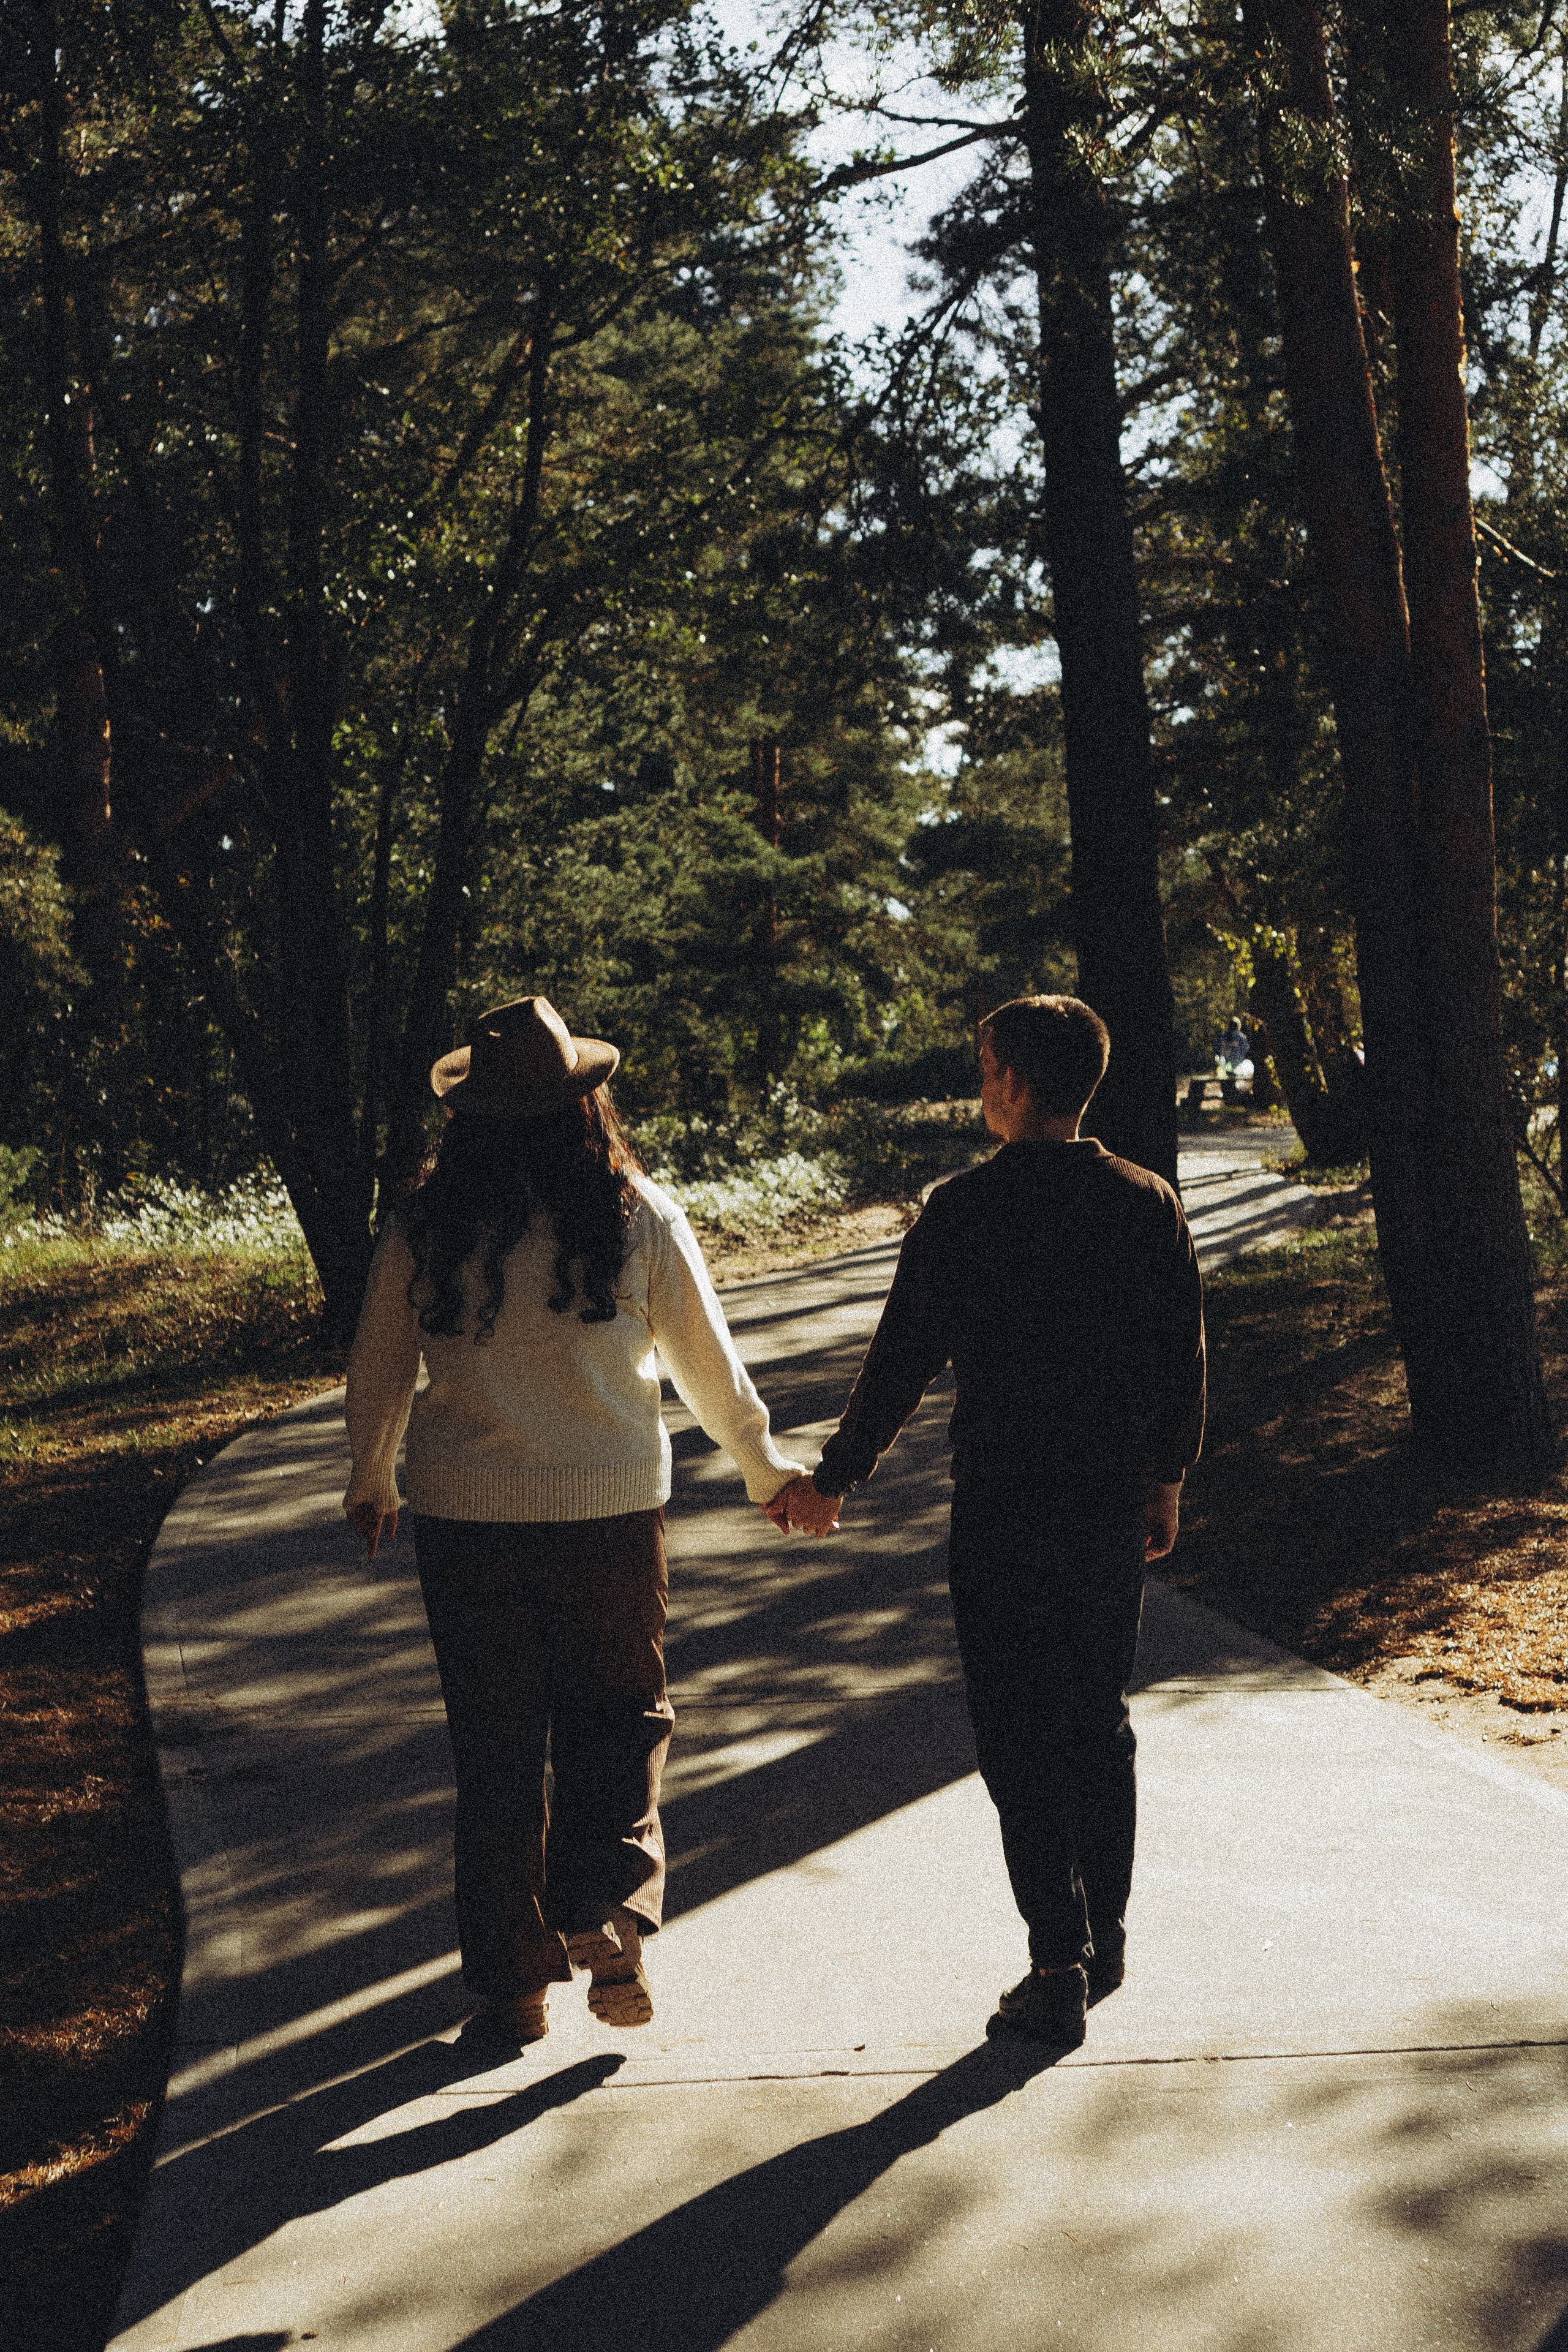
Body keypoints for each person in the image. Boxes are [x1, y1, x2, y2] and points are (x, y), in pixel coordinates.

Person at [342, 995, 803, 2048]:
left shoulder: (424, 1223)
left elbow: (379, 1372)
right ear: (586, 1103)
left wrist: (371, 1484)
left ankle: (510, 1991)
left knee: (498, 1750)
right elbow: (706, 1366)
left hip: (467, 1522)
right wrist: (763, 1467)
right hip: (606, 1515)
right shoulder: (637, 1211)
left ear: (469, 1117)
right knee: (622, 1717)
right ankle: (607, 1912)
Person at [776, 994, 1205, 2051]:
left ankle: (1053, 1959)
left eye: (984, 1067)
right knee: (1097, 1719)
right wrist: (1167, 1479)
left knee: (1018, 1731)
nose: (982, 1086)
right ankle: (1106, 1939)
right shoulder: (1144, 1200)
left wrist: (834, 1478)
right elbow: (1178, 1355)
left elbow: (900, 1361)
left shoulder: (961, 1210)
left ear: (1014, 1081)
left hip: (1005, 1510)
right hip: (1104, 1502)